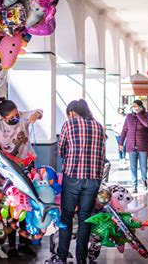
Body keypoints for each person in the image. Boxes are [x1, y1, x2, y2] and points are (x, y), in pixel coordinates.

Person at [0, 97, 42, 258]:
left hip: (27, 168)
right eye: (11, 118)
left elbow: (39, 112)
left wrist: (37, 114)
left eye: (16, 115)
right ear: (3, 117)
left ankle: (25, 243)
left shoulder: (22, 117)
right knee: (12, 208)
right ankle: (11, 246)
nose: (15, 119)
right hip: (10, 172)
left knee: (27, 206)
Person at [55, 99, 105, 264]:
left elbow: (61, 150)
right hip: (93, 179)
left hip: (73, 176)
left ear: (71, 113)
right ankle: (81, 259)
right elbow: (102, 154)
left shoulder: (69, 125)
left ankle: (61, 257)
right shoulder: (99, 126)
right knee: (85, 218)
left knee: (66, 217)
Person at [119, 100, 148, 193]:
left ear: (140, 107)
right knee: (133, 167)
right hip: (131, 145)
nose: (134, 108)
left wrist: (138, 114)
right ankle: (134, 185)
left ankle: (144, 180)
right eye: (133, 106)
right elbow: (124, 130)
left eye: (136, 106)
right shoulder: (129, 117)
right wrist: (121, 143)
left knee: (143, 166)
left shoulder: (146, 115)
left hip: (143, 145)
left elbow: (146, 124)